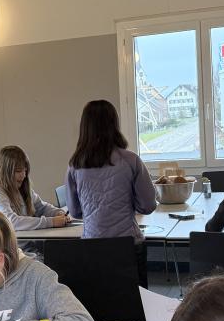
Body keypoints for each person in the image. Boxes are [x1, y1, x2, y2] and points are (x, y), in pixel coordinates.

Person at [65, 99, 156, 286]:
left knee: (99, 301)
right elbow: (148, 206)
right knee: (137, 301)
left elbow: (75, 212)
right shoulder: (131, 160)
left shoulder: (75, 165)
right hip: (128, 245)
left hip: (92, 245)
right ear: (114, 125)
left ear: (85, 128)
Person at [0, 145, 69, 258]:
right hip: (13, 255)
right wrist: (51, 222)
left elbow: (42, 207)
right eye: (18, 171)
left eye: (25, 170)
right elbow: (13, 222)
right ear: (6, 171)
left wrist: (58, 212)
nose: (24, 175)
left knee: (65, 255)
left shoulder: (23, 190)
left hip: (30, 248)